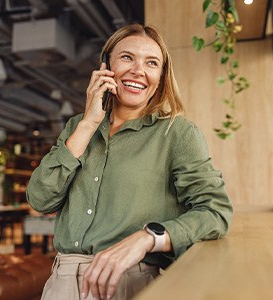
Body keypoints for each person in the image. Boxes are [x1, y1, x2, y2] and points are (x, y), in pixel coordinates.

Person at [26, 23, 233, 300]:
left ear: (160, 76)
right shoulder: (78, 127)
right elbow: (40, 199)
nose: (138, 70)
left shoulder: (176, 133)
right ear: (105, 65)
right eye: (127, 57)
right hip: (60, 283)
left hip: (129, 284)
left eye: (152, 63)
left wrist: (148, 238)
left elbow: (215, 212)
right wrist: (89, 124)